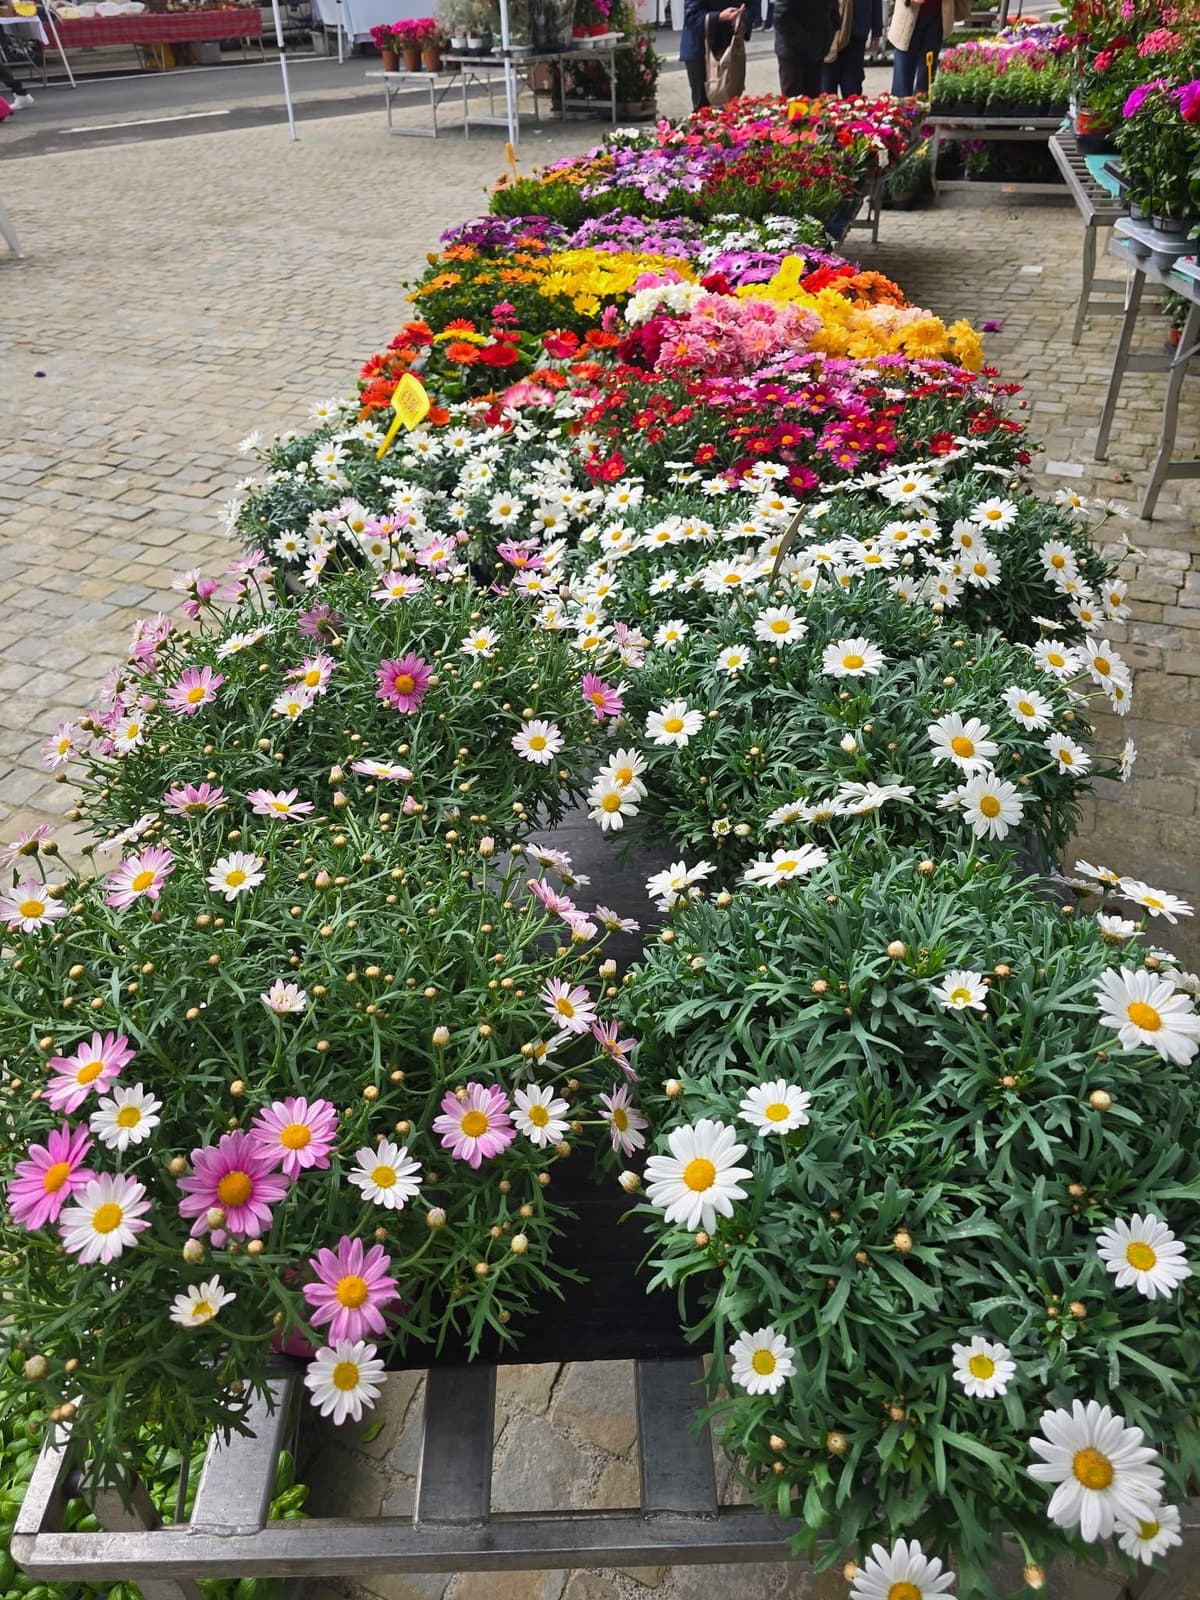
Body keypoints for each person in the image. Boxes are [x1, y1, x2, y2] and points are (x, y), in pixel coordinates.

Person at [888, 0, 969, 96]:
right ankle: (900, 106)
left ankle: (924, 105)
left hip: (937, 17)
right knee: (903, 77)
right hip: (909, 15)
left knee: (926, 76)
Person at [680, 0, 746, 112]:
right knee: (704, 110)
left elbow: (752, 6)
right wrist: (719, 17)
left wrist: (742, 18)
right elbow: (691, 17)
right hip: (700, 51)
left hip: (729, 49)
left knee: (729, 106)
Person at [774, 0, 839, 98]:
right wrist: (806, 42)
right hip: (793, 53)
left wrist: (830, 30)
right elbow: (781, 17)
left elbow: (831, 8)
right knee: (795, 103)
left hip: (817, 48)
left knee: (814, 102)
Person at [822, 0, 881, 95]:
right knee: (826, 93)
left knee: (852, 91)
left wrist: (876, 30)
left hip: (856, 33)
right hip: (827, 31)